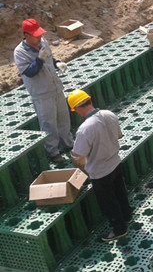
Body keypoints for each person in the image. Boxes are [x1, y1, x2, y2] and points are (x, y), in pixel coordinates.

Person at [67, 89, 132, 242]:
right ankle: (127, 217)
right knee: (120, 192)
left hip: (100, 172)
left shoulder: (84, 129)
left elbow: (80, 155)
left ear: (77, 108)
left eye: (75, 110)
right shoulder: (109, 114)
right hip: (115, 162)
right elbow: (119, 135)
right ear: (89, 100)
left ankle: (119, 229)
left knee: (108, 203)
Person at [13, 18, 73, 163]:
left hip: (55, 87)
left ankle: (68, 145)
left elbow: (50, 59)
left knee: (63, 118)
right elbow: (29, 72)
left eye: (40, 34)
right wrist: (39, 59)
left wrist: (57, 63)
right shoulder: (20, 52)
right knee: (48, 123)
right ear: (26, 35)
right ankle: (53, 152)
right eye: (36, 35)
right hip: (41, 93)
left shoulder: (43, 42)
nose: (39, 37)